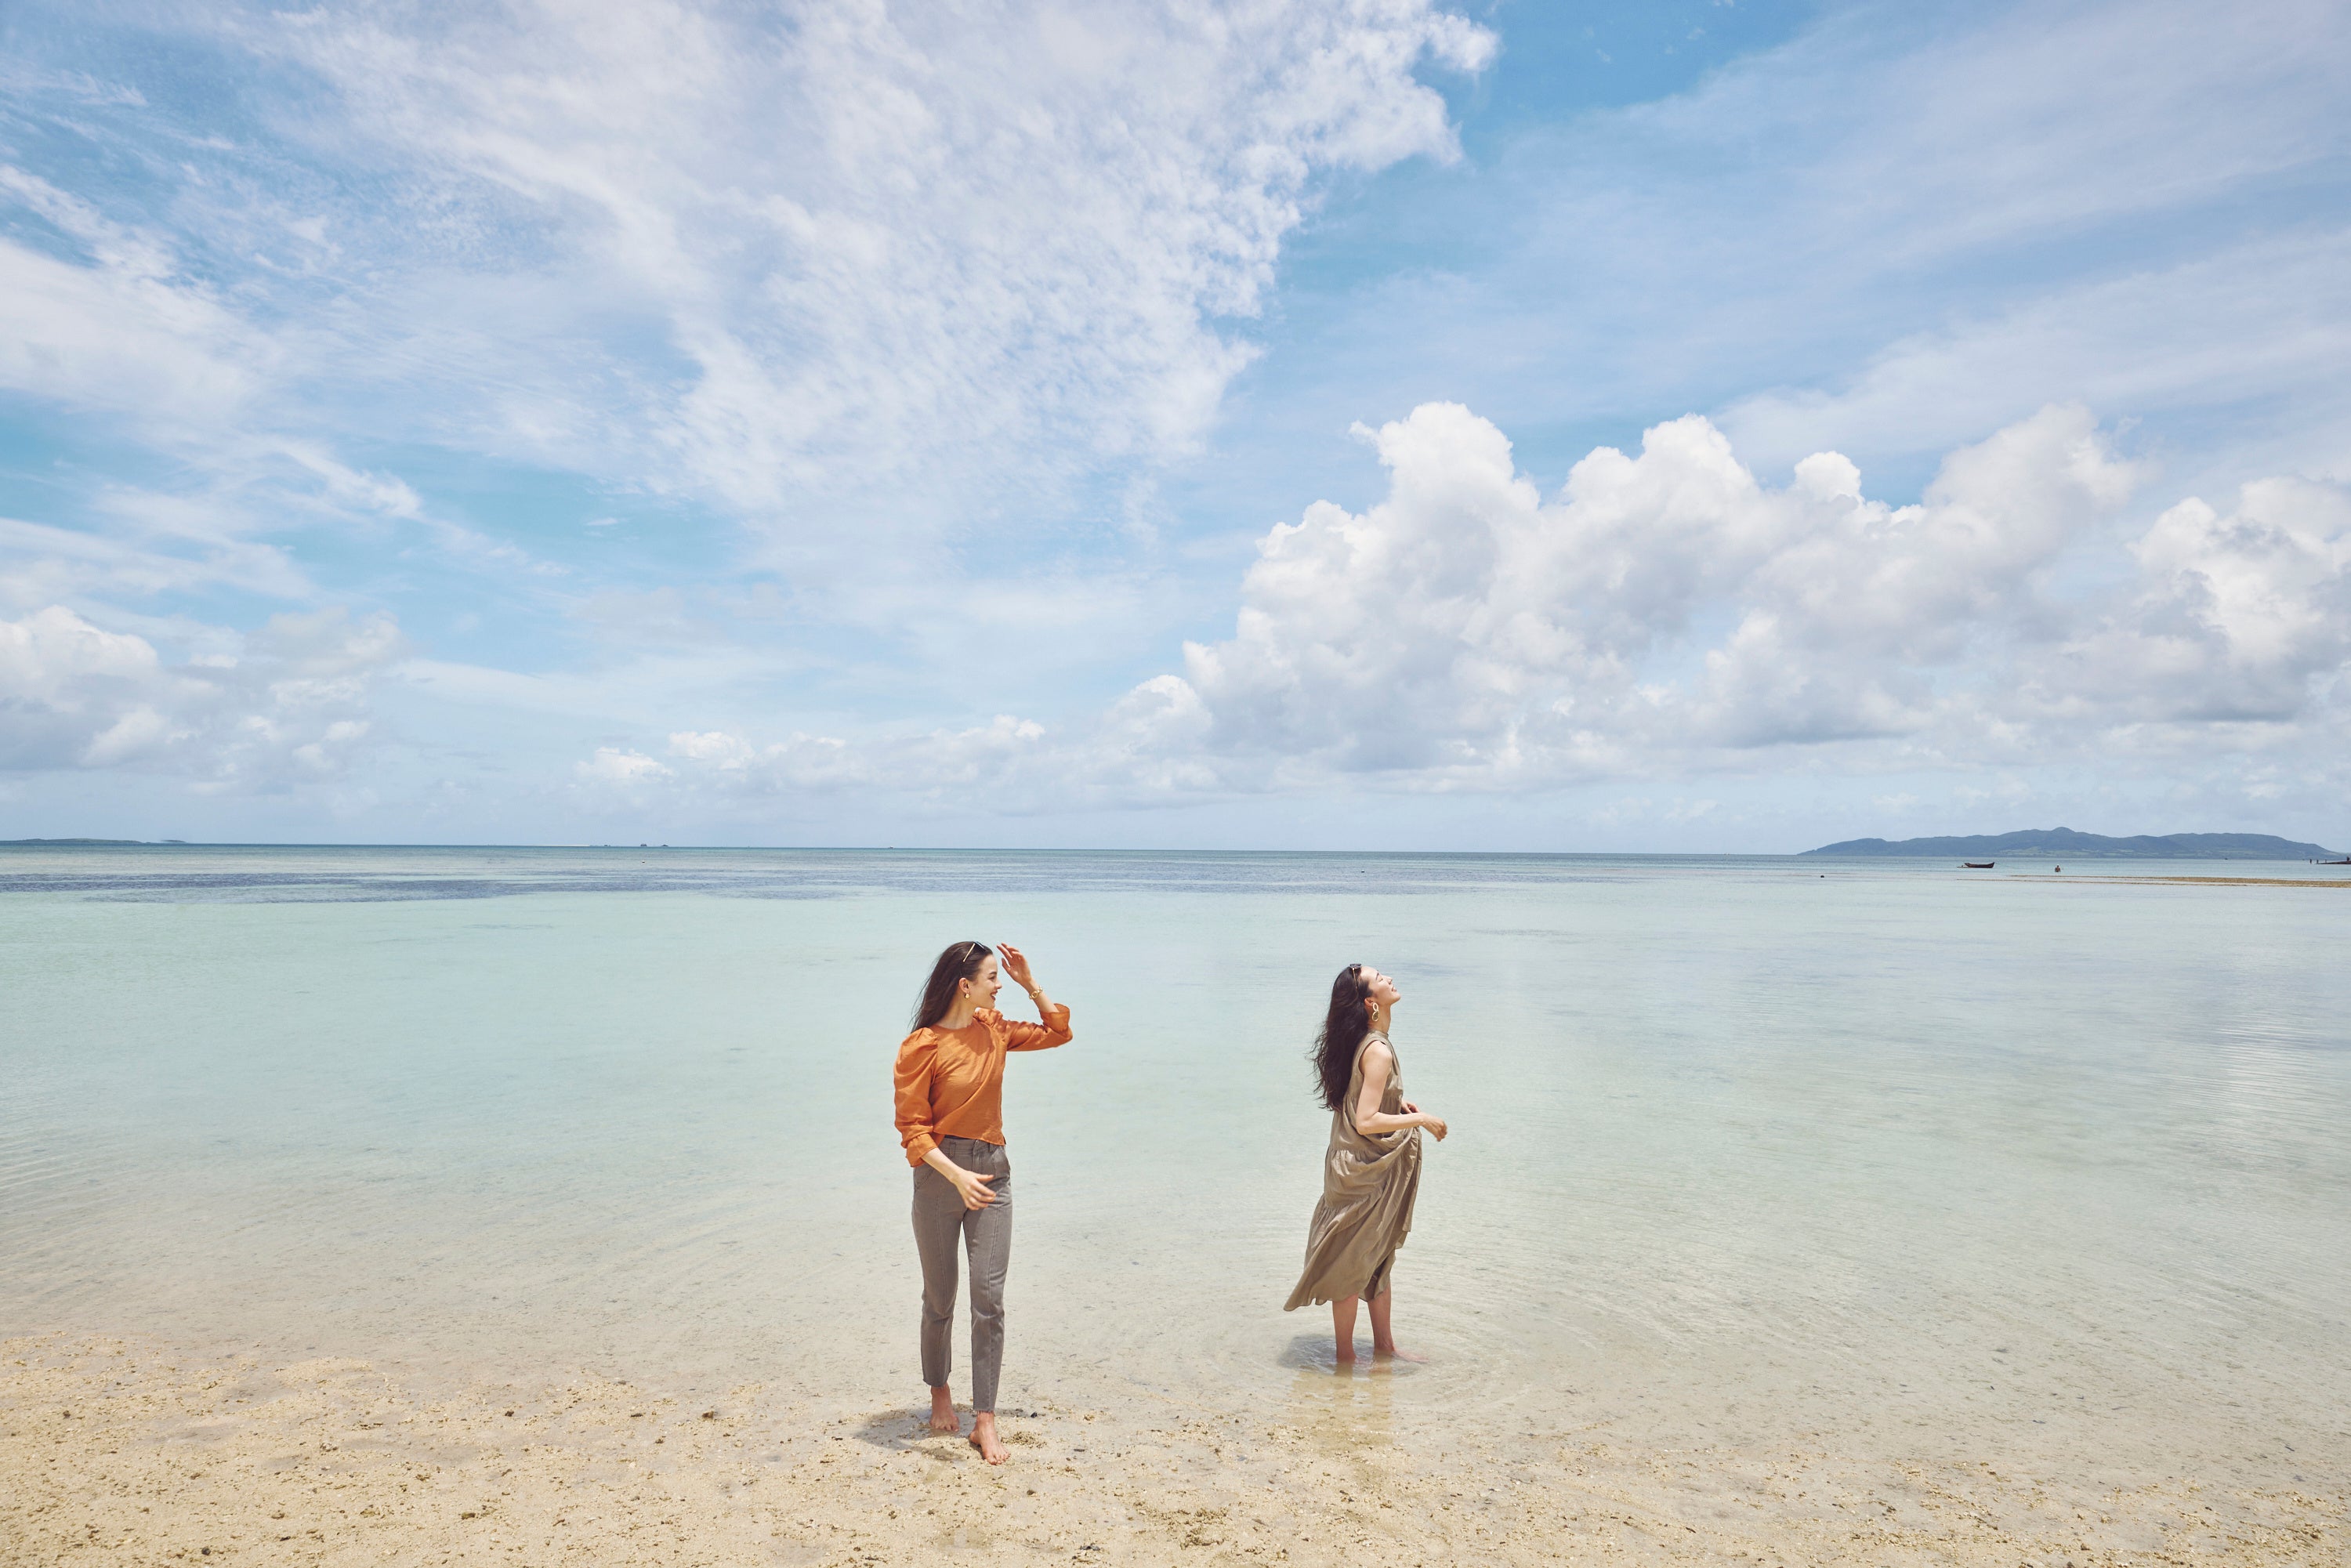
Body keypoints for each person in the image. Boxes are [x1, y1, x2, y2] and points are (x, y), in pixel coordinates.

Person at [893, 940, 1070, 1464]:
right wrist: (954, 1175)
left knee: (988, 1300)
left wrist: (1030, 984)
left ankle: (985, 1420)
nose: (999, 985)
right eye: (993, 977)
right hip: (938, 1176)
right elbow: (912, 1130)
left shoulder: (993, 1028)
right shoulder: (920, 1046)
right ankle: (940, 1391)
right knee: (940, 1298)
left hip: (994, 1173)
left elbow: (1060, 1032)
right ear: (964, 985)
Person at [1283, 963, 1447, 1364]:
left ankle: (1385, 1349)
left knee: (1377, 1257)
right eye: (1380, 978)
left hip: (1360, 1164)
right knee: (1350, 1263)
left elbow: (1363, 1103)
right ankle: (1345, 1359)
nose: (1390, 977)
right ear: (1371, 1003)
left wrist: (1399, 1104)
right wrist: (1420, 1118)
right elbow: (1366, 1121)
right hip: (1361, 1171)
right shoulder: (1377, 1051)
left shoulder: (1373, 1043)